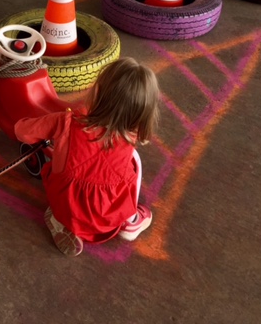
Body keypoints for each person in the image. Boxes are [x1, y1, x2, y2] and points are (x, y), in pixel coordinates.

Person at [14, 57, 160, 256]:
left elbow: (22, 132)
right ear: (143, 113)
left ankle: (60, 222)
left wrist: (23, 122)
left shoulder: (65, 121)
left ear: (96, 91)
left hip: (67, 208)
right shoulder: (133, 133)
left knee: (58, 179)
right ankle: (130, 220)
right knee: (133, 164)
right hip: (108, 219)